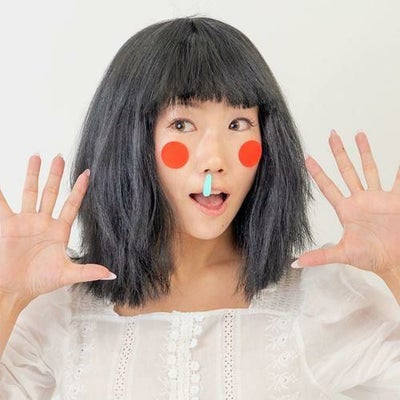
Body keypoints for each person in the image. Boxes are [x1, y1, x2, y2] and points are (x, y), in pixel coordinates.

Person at [0, 15, 399, 399]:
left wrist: (396, 269)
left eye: (238, 124)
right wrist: (7, 296)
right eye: (182, 125)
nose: (214, 159)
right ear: (130, 139)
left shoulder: (321, 302)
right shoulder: (59, 306)